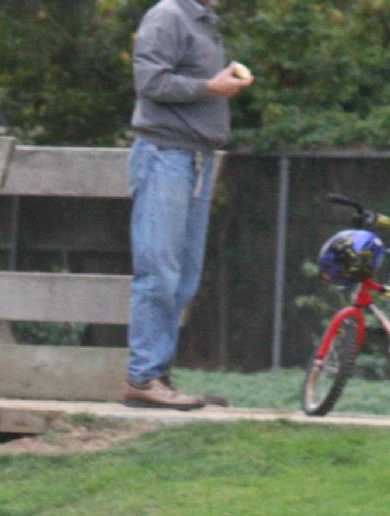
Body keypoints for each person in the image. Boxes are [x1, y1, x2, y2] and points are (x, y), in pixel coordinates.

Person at [124, 0, 253, 410]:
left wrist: (214, 85)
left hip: (195, 159)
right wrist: (210, 88)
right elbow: (150, 82)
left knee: (183, 277)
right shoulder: (168, 15)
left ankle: (157, 375)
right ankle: (142, 378)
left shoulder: (202, 21)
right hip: (164, 155)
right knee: (158, 271)